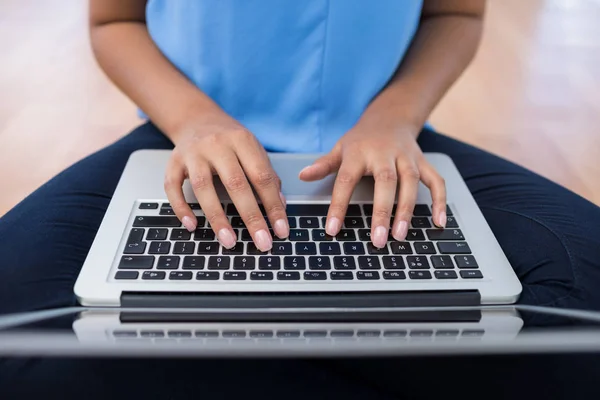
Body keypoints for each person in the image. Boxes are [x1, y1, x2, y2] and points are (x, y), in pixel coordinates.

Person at [2, 0, 600, 398]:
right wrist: (194, 121)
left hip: (386, 138)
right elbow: (113, 21)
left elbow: (457, 11)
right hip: (184, 137)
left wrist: (393, 118)